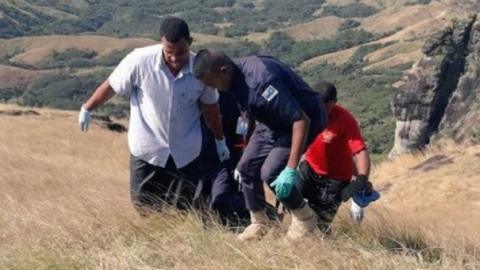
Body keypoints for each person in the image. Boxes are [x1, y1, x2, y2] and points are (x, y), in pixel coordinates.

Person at [78, 17, 229, 215]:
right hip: (147, 148)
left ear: (190, 43)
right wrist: (88, 108)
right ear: (161, 43)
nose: (175, 58)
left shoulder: (200, 69)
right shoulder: (139, 61)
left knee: (184, 208)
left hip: (185, 152)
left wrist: (220, 140)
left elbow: (211, 108)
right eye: (169, 52)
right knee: (143, 205)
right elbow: (112, 86)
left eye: (181, 52)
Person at [193, 49, 328, 241]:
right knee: (245, 169)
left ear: (223, 71)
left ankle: (305, 218)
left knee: (271, 172)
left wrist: (290, 168)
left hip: (301, 121)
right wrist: (244, 148)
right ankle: (260, 222)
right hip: (270, 121)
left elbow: (300, 120)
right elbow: (247, 115)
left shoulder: (261, 80)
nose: (213, 88)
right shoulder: (232, 78)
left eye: (212, 83)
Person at [295, 81, 378, 235]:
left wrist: (361, 178)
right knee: (291, 198)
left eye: (324, 104)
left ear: (333, 102)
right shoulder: (307, 112)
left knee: (319, 227)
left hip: (334, 181)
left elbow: (359, 151)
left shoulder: (345, 120)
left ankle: (325, 248)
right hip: (310, 168)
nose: (319, 108)